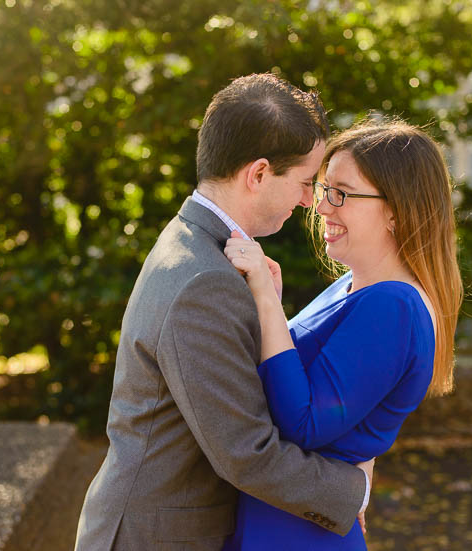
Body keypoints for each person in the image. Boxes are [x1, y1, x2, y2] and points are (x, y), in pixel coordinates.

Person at [74, 73, 374, 551]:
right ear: (257, 174)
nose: (306, 200)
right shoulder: (205, 278)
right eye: (302, 182)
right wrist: (352, 490)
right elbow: (245, 452)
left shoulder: (199, 246)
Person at [223, 119, 463, 549]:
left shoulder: (395, 307)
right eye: (323, 190)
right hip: (279, 519)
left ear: (396, 210)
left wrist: (263, 297)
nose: (322, 207)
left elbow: (305, 421)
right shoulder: (353, 285)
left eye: (342, 193)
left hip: (300, 535)